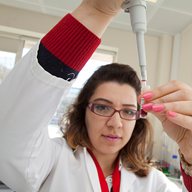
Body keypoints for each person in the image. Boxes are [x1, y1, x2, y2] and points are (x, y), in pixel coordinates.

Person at [0, 0, 191, 191]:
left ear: (138, 119)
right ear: (83, 111)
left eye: (128, 111)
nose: (115, 123)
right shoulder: (50, 162)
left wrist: (190, 154)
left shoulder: (154, 183)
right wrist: (96, 11)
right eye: (102, 107)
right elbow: (11, 133)